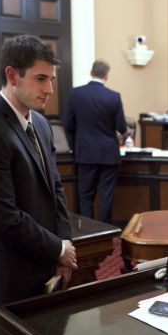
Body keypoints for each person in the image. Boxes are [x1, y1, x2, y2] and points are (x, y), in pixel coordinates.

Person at [0, 35, 77, 309]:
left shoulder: (42, 124)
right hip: (10, 281)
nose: (49, 88)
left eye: (51, 79)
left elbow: (56, 189)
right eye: (40, 79)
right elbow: (3, 218)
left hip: (48, 267)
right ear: (12, 75)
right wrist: (58, 249)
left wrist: (62, 246)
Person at [65, 60, 128, 223]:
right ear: (106, 76)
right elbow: (121, 127)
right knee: (106, 195)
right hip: (108, 154)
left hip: (85, 153)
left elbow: (68, 125)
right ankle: (105, 232)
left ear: (91, 72)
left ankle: (89, 232)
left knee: (85, 195)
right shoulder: (114, 96)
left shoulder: (75, 94)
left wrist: (76, 145)